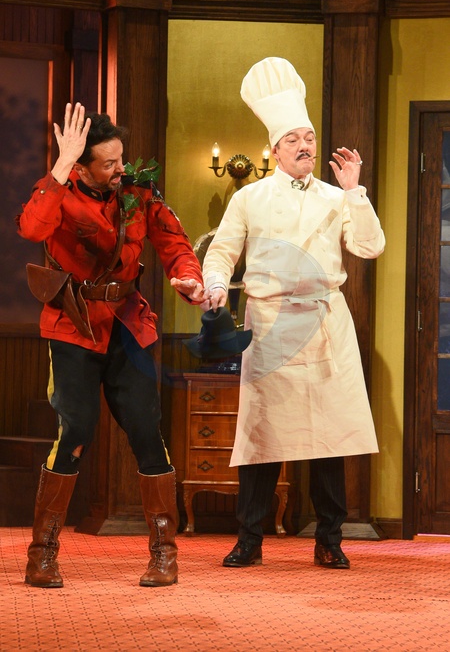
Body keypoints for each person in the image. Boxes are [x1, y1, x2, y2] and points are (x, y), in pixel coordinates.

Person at [202, 57, 386, 570]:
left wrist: (355, 192)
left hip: (326, 322)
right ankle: (249, 538)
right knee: (262, 436)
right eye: (294, 139)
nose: (305, 145)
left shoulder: (337, 196)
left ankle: (329, 539)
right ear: (276, 149)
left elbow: (370, 247)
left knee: (330, 437)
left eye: (310, 137)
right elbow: (221, 253)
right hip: (271, 324)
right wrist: (215, 284)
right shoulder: (249, 197)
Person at [17, 102, 207, 588]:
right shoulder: (60, 191)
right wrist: (61, 166)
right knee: (75, 429)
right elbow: (31, 228)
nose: (121, 168)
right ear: (82, 167)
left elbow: (175, 243)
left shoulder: (138, 192)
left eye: (122, 158)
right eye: (109, 163)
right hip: (73, 326)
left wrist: (187, 278)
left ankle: (164, 554)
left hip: (127, 325)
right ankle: (43, 554)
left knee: (146, 430)